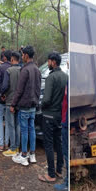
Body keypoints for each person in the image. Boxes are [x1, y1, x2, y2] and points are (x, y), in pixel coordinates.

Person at [38, 52, 68, 182]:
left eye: (49, 61)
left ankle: (50, 174)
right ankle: (59, 170)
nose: (48, 63)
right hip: (60, 116)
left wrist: (42, 106)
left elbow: (47, 99)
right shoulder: (65, 77)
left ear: (53, 62)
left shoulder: (51, 78)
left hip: (49, 115)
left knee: (49, 145)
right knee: (59, 142)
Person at [10, 46, 41, 166]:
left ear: (26, 56)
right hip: (33, 106)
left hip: (24, 106)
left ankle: (23, 155)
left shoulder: (25, 70)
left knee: (24, 131)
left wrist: (13, 104)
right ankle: (32, 154)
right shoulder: (37, 70)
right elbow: (38, 89)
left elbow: (19, 90)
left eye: (22, 55)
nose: (22, 56)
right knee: (31, 129)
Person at [0, 51, 21, 157]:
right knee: (18, 125)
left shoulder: (9, 70)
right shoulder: (22, 70)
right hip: (19, 102)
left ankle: (12, 148)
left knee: (11, 125)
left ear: (12, 59)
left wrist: (2, 94)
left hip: (10, 102)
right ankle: (17, 146)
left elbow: (5, 86)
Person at [0, 50, 12, 151]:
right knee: (9, 121)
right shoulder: (13, 68)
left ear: (4, 57)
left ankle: (0, 143)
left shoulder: (0, 68)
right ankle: (6, 143)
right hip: (10, 99)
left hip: (1, 99)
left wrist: (1, 95)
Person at [54, 83, 68, 191]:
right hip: (63, 119)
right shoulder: (65, 78)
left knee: (66, 152)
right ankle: (64, 177)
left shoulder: (69, 82)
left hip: (65, 122)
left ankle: (67, 184)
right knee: (63, 150)